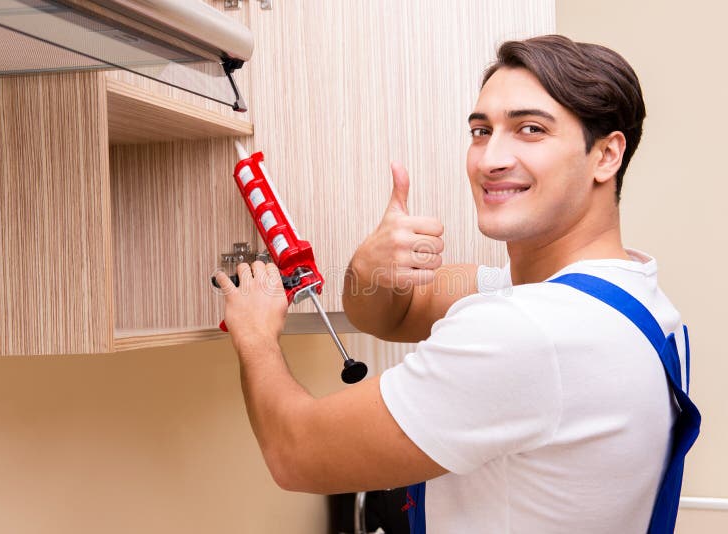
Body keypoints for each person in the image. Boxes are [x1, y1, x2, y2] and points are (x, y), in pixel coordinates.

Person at [214, 34, 699, 533]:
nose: (490, 160)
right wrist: (371, 265)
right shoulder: (635, 297)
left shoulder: (528, 332)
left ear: (605, 156)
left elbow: (296, 453)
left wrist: (254, 336)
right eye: (481, 131)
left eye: (530, 129)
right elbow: (392, 313)